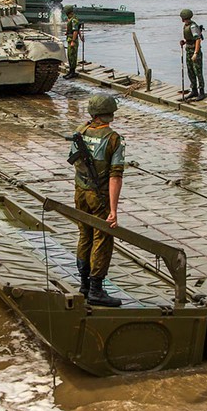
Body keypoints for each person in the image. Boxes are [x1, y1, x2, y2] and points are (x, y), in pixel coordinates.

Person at [68, 93, 125, 307]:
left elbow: (75, 162)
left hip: (80, 191)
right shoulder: (113, 138)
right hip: (99, 195)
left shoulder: (80, 132)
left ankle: (83, 284)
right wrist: (113, 210)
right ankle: (96, 289)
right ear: (110, 113)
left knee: (84, 235)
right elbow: (115, 176)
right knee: (102, 237)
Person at [179, 8, 205, 100]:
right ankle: (194, 90)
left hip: (194, 51)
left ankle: (201, 92)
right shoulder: (186, 25)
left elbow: (198, 40)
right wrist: (184, 42)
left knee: (198, 72)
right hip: (188, 50)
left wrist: (195, 53)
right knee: (190, 71)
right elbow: (190, 38)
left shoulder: (193, 26)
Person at [65, 6, 82, 77]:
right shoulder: (70, 19)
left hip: (72, 39)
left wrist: (73, 41)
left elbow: (75, 31)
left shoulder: (74, 20)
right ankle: (70, 71)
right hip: (69, 38)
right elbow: (76, 29)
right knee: (69, 55)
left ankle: (73, 72)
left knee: (72, 56)